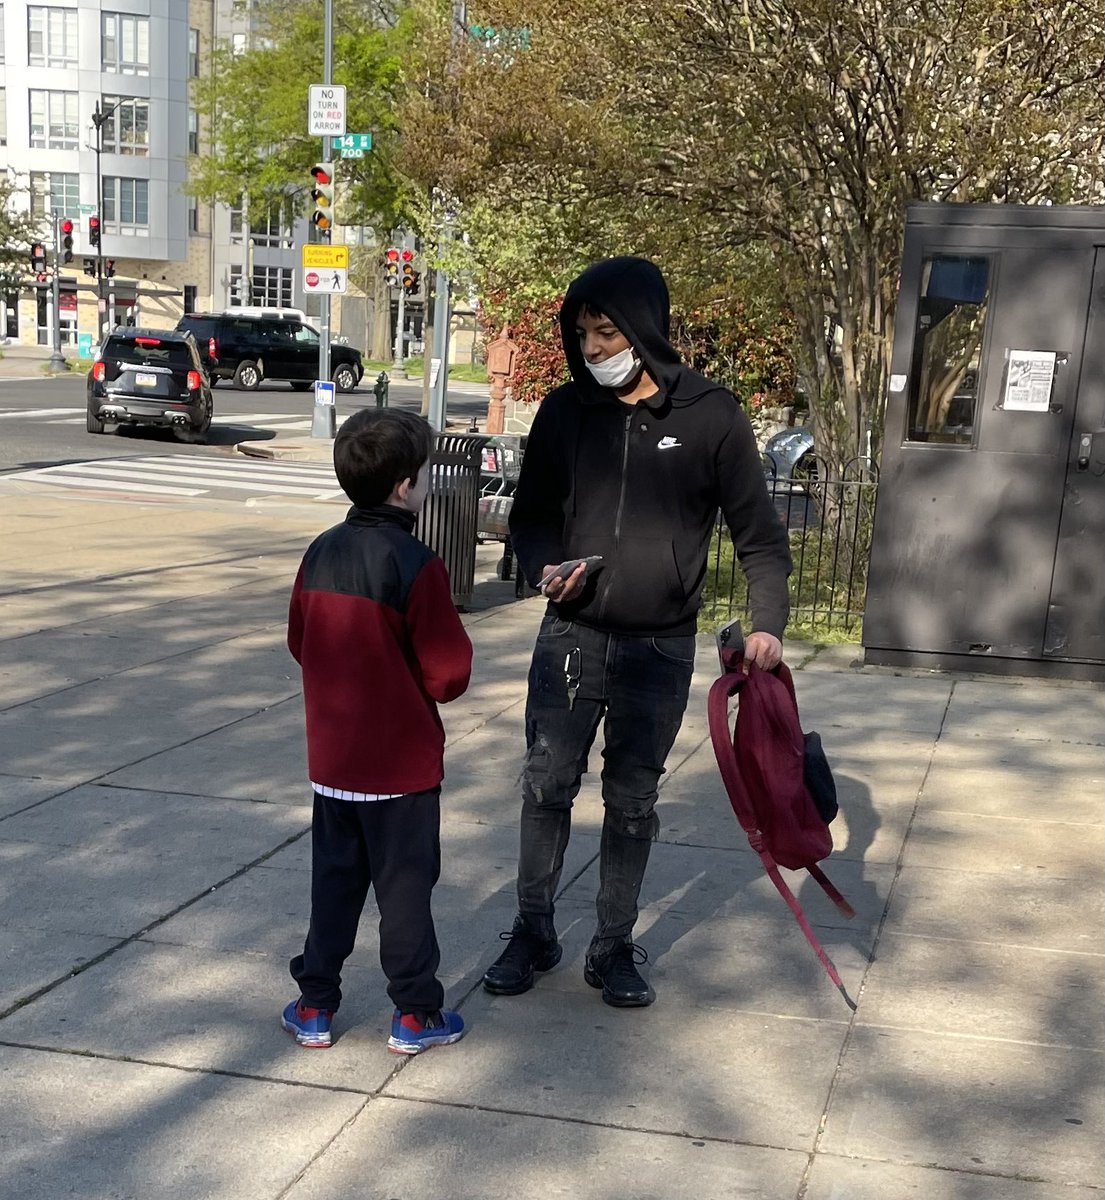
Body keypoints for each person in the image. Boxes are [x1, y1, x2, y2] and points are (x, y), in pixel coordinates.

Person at [482, 256, 792, 1007]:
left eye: (606, 331)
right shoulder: (564, 412)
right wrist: (542, 566)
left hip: (658, 645)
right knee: (546, 783)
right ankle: (532, 930)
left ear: (643, 328)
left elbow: (760, 539)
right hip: (571, 635)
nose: (592, 349)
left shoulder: (710, 415)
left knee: (630, 800)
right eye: (582, 333)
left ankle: (613, 946)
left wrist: (766, 626)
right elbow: (528, 520)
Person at [282, 408, 473, 1054]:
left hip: (334, 764)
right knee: (404, 894)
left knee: (332, 888)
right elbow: (447, 674)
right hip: (401, 771)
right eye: (423, 476)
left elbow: (299, 641)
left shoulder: (320, 552)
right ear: (404, 487)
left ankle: (314, 1004)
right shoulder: (417, 564)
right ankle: (415, 1013)